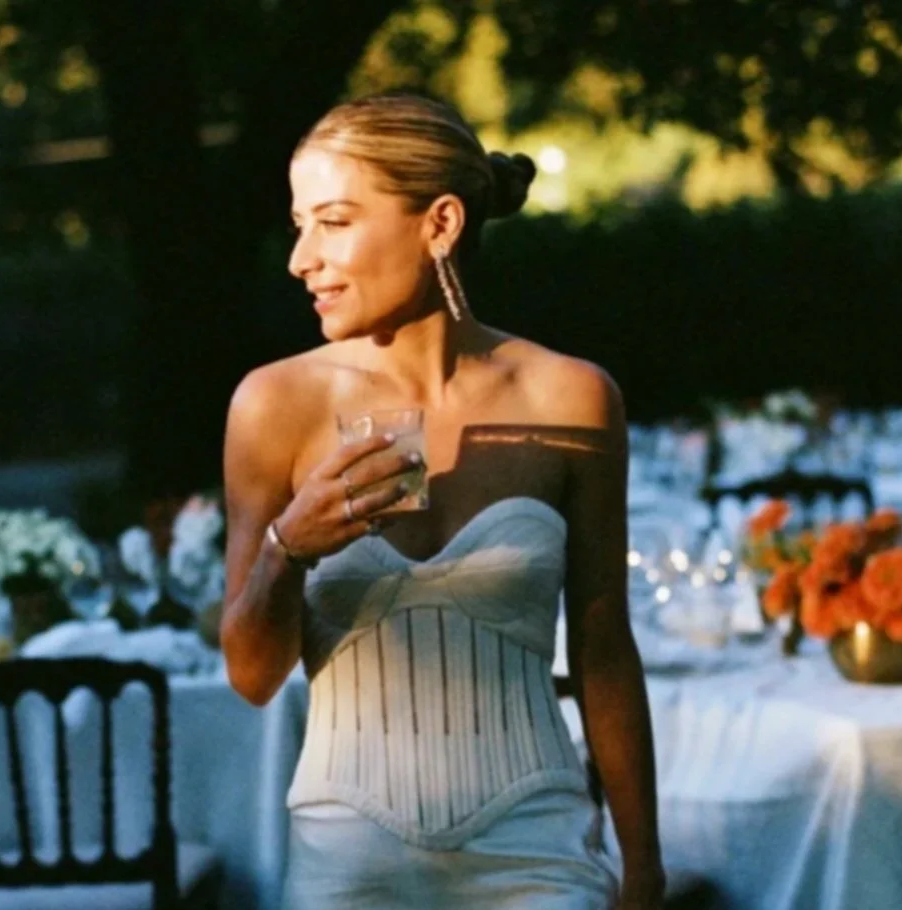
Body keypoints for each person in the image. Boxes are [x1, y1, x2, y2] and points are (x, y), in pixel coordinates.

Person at [220, 91, 664, 909]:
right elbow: (250, 676)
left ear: (441, 224)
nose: (301, 259)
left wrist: (643, 867)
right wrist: (290, 544)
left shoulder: (571, 397)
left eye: (335, 221)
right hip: (347, 868)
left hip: (540, 854)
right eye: (299, 224)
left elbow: (604, 651)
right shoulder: (273, 405)